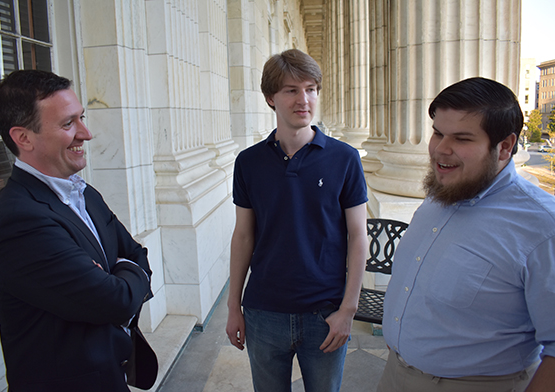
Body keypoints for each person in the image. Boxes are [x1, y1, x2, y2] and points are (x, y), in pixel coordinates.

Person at [0, 70, 155, 392]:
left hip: (111, 375)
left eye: (81, 118)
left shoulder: (83, 192)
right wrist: (124, 278)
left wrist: (120, 270)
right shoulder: (17, 221)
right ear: (24, 138)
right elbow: (115, 301)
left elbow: (136, 254)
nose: (86, 134)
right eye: (67, 124)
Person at [378, 77, 555, 392]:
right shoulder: (441, 192)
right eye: (437, 133)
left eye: (461, 138)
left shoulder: (543, 226)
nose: (440, 150)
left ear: (504, 146)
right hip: (395, 374)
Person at [225, 49, 369, 392]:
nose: (303, 99)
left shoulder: (344, 159)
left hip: (325, 314)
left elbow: (358, 236)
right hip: (263, 313)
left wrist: (348, 309)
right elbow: (243, 236)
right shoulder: (248, 162)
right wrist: (234, 306)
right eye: (291, 90)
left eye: (311, 89)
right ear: (270, 98)